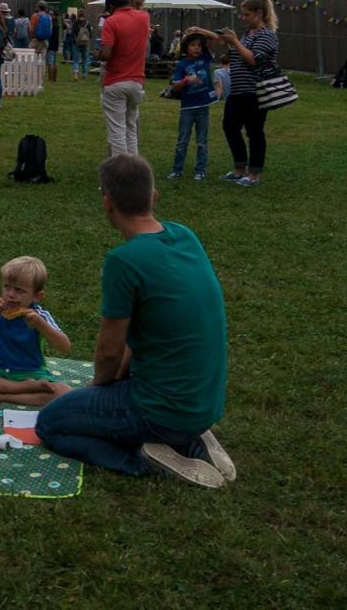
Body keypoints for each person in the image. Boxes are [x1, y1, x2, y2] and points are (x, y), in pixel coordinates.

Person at [36, 154, 233, 489]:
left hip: (159, 408)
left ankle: (142, 459)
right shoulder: (185, 236)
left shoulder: (124, 261)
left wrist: (98, 388)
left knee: (51, 422)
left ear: (107, 203)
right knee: (95, 403)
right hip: (204, 400)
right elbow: (137, 338)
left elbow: (110, 350)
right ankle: (189, 440)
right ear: (154, 196)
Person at [0, 256, 73, 408]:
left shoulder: (39, 316)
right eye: (7, 287)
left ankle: (2, 396)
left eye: (19, 290)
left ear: (37, 296)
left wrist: (40, 324)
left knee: (66, 393)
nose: (11, 294)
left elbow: (65, 346)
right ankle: (22, 390)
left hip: (32, 374)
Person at [188, 0, 280, 186]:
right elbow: (225, 41)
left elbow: (253, 59)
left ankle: (254, 175)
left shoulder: (267, 35)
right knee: (230, 126)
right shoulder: (249, 34)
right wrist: (201, 31)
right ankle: (240, 169)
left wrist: (235, 42)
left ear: (259, 13)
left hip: (255, 92)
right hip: (238, 91)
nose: (243, 18)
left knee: (254, 131)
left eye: (246, 14)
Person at [98, 0, 150, 156]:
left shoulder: (111, 21)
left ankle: (121, 172)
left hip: (116, 81)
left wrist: (98, 54)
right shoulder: (144, 18)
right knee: (131, 129)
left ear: (112, 6)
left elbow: (106, 54)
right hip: (137, 82)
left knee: (117, 131)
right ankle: (135, 169)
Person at [167, 34, 216, 181]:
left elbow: (214, 38)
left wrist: (197, 29)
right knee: (182, 141)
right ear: (186, 47)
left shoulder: (205, 58)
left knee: (202, 142)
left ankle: (200, 170)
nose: (197, 48)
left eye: (199, 45)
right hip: (187, 108)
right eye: (193, 45)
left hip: (203, 106)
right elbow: (175, 87)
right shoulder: (182, 64)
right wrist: (186, 80)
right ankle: (177, 170)